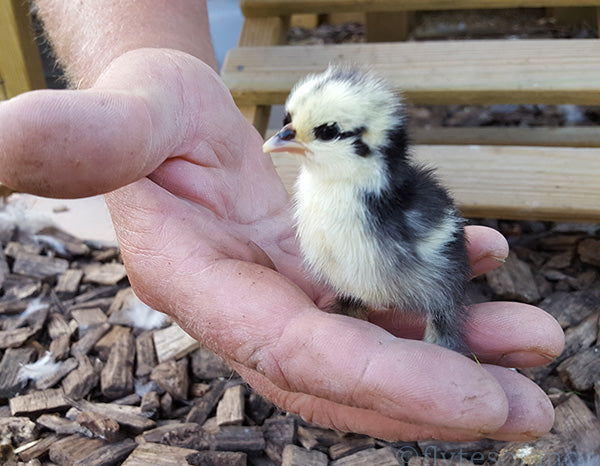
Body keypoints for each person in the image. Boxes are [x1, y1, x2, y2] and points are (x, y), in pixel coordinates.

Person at [0, 1, 563, 441]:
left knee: (441, 315)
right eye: (290, 123)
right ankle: (352, 299)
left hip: (406, 250)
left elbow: (433, 248)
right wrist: (142, 62)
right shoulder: (322, 193)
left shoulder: (404, 212)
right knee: (350, 278)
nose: (285, 137)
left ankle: (437, 337)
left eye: (317, 132)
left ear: (367, 146)